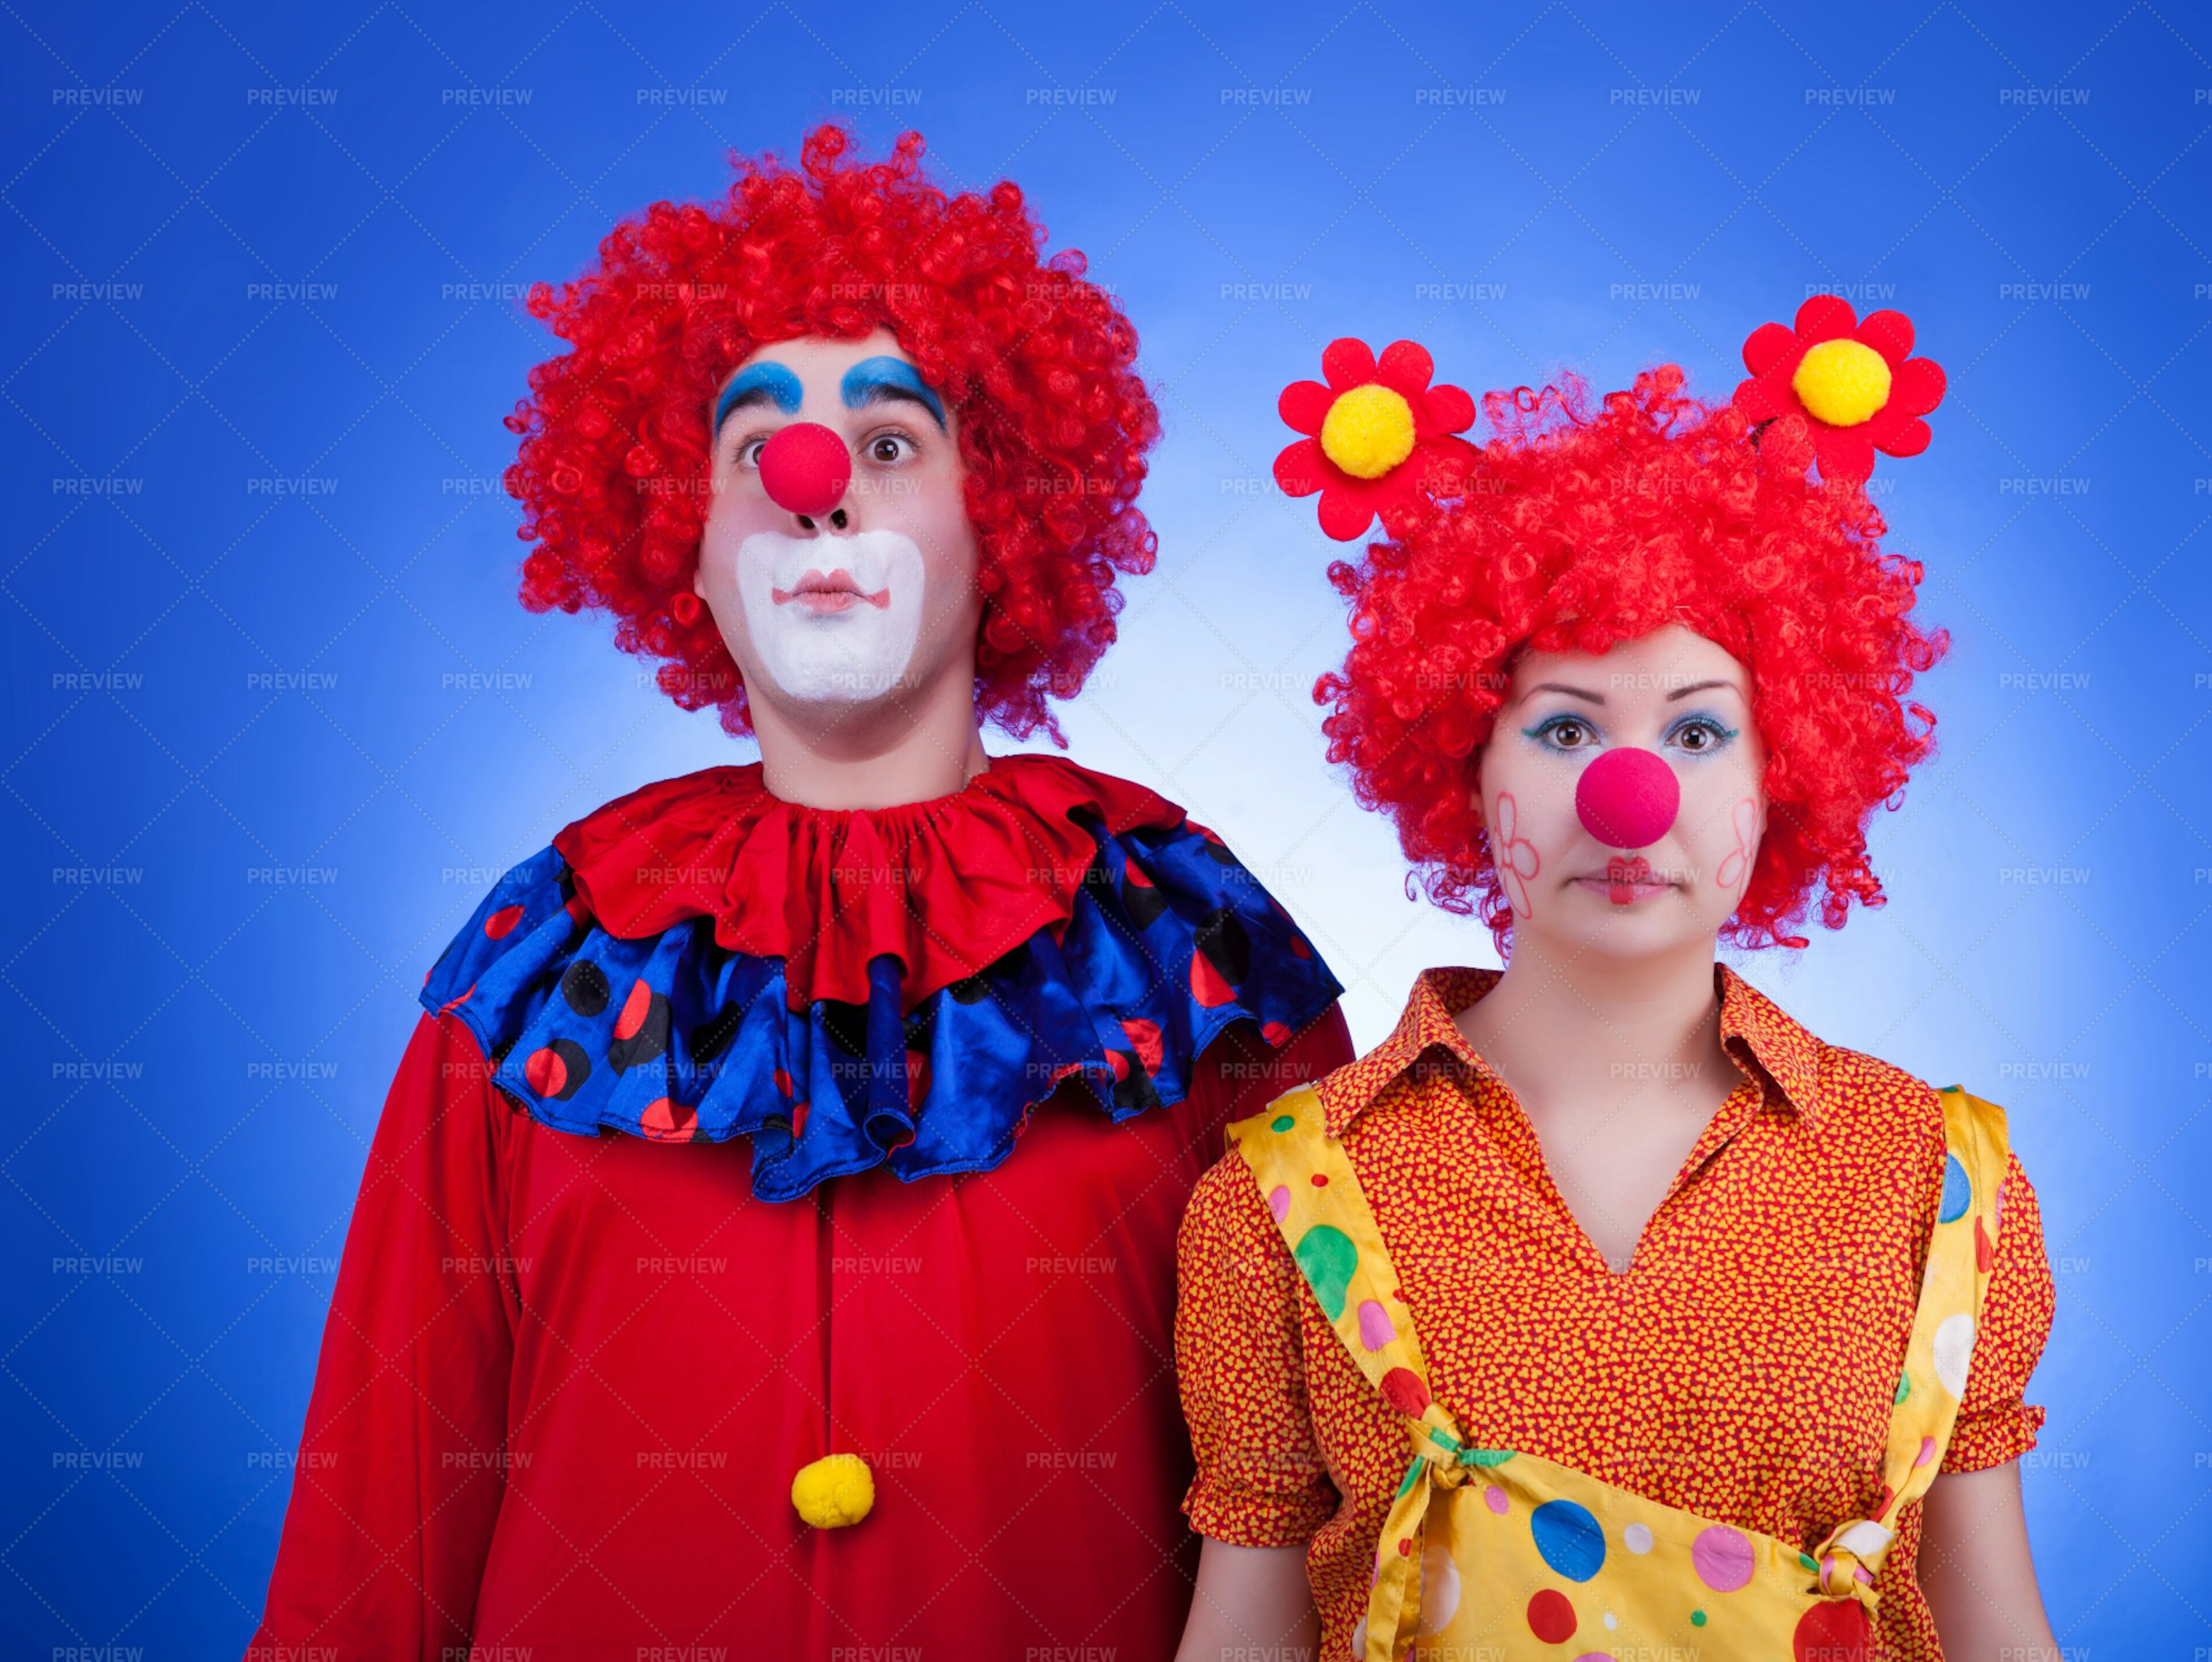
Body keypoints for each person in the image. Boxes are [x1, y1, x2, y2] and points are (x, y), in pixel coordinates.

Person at [248, 124, 1353, 1660]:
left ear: (1005, 517)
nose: (815, 486)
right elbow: (382, 1512)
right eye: (752, 446)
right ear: (682, 546)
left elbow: (1339, 1479)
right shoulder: (548, 954)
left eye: (890, 443)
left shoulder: (1186, 942)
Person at [1173, 312, 2061, 1661]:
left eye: (1698, 729)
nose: (1627, 794)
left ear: (1786, 775)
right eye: (1566, 725)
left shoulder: (1937, 1180)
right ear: (1468, 761)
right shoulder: (1276, 1198)